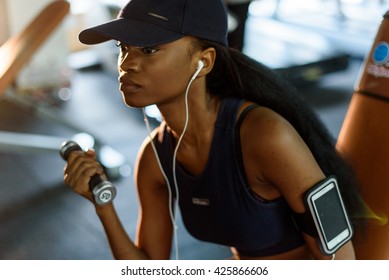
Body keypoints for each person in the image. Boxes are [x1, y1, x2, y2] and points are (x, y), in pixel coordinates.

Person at [63, 0, 363, 260]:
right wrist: (104, 206)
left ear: (203, 61)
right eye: (123, 48)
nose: (127, 64)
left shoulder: (265, 135)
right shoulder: (156, 157)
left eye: (149, 49)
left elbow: (338, 255)